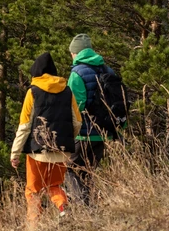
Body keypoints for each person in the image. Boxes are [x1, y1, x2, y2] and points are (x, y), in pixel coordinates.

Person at [10, 52, 82, 220]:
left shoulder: (33, 91)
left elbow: (25, 125)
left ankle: (34, 225)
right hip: (62, 150)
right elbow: (77, 122)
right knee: (54, 185)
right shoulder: (67, 90)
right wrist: (66, 139)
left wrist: (15, 153)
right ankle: (64, 209)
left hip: (38, 153)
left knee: (33, 190)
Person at [67, 33, 114, 205]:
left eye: (72, 52)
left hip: (83, 133)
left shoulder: (77, 73)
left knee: (68, 169)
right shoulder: (107, 70)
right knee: (88, 173)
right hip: (103, 132)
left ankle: (85, 208)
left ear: (76, 53)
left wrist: (67, 131)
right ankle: (89, 209)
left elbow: (74, 106)